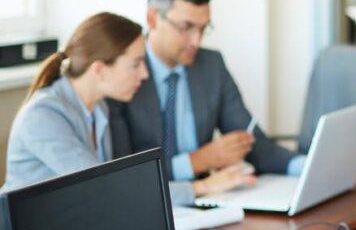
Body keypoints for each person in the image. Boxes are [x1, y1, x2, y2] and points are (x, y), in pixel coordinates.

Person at [5, 12, 249, 204]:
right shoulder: (44, 116)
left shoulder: (99, 109)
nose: (144, 75)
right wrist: (202, 187)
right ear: (100, 70)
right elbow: (108, 189)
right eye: (136, 64)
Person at [110, 0, 304, 191]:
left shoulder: (211, 65)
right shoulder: (123, 73)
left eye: (204, 28)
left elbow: (253, 144)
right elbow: (123, 172)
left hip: (210, 200)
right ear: (153, 18)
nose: (196, 40)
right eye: (186, 27)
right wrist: (200, 160)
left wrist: (306, 166)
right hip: (149, 202)